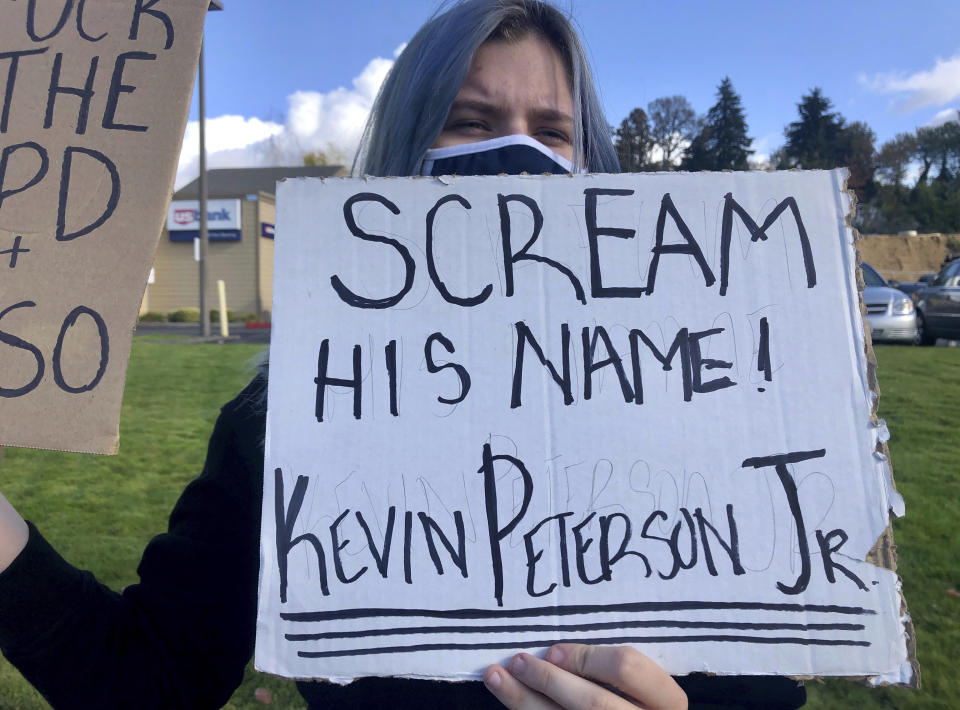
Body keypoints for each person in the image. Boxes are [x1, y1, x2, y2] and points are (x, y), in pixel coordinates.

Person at [0, 1, 805, 708]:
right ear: (405, 156)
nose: (518, 157)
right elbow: (149, 681)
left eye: (553, 132)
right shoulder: (283, 420)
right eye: (473, 122)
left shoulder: (696, 402)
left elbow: (771, 663)